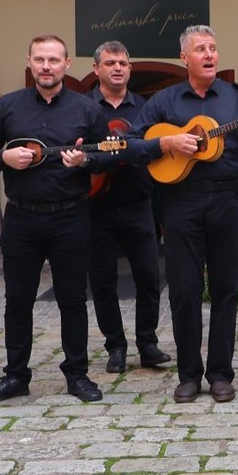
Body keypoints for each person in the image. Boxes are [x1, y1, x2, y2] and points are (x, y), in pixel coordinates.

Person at [129, 26, 238, 404]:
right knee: (184, 289)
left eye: (213, 48)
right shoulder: (164, 101)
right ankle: (189, 374)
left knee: (225, 290)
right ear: (185, 58)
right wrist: (167, 142)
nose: (209, 54)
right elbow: (132, 143)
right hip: (181, 201)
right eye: (200, 49)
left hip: (228, 199)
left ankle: (221, 373)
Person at [0, 34, 111, 404]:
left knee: (72, 299)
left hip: (70, 217)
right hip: (21, 219)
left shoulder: (87, 110)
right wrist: (4, 158)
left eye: (53, 60)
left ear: (67, 64)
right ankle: (16, 375)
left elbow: (108, 155)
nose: (46, 66)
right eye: (39, 59)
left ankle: (77, 375)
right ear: (30, 63)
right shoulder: (7, 106)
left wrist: (86, 161)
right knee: (17, 300)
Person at [88, 41, 172, 375]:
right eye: (110, 63)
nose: (118, 68)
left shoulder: (147, 108)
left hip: (140, 203)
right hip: (97, 206)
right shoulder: (84, 108)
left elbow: (156, 148)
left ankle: (147, 344)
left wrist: (124, 152)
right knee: (103, 282)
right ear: (97, 69)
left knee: (149, 278)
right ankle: (116, 346)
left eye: (123, 62)